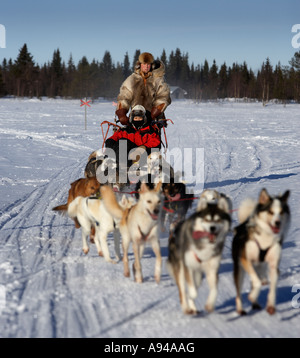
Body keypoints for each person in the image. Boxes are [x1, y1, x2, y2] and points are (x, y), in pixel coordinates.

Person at [115, 52, 171, 126]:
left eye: (148, 64)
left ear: (151, 65)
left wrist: (153, 114)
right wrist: (122, 114)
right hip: (136, 118)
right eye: (144, 64)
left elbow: (163, 97)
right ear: (140, 64)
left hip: (153, 119)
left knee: (153, 137)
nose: (146, 66)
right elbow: (124, 97)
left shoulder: (158, 79)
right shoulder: (132, 79)